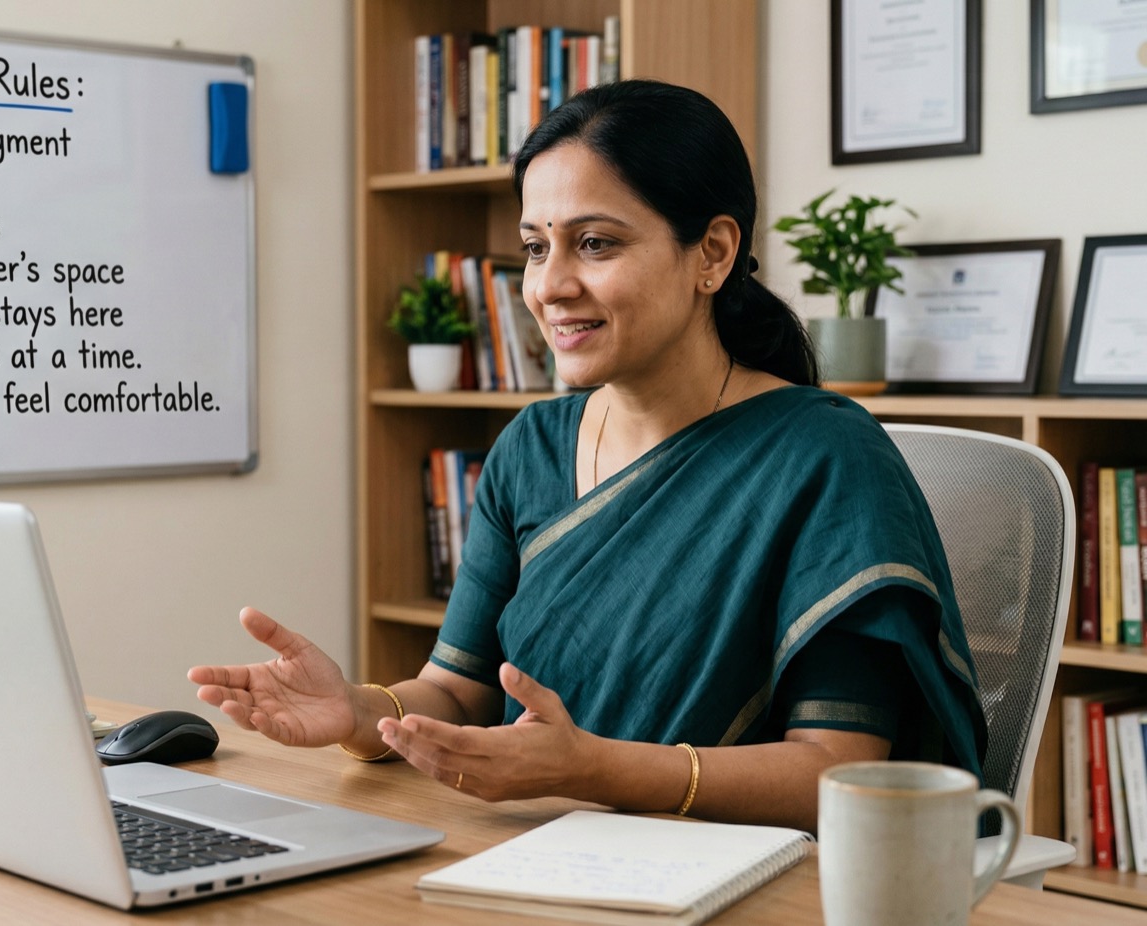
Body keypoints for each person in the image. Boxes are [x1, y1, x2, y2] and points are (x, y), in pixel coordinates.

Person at [188, 79, 985, 833]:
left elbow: (838, 773)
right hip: (531, 854)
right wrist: (357, 712)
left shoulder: (825, 457)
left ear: (712, 253)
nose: (551, 285)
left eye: (595, 243)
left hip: (739, 882)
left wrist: (592, 769)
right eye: (536, 248)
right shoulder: (531, 448)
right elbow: (456, 691)